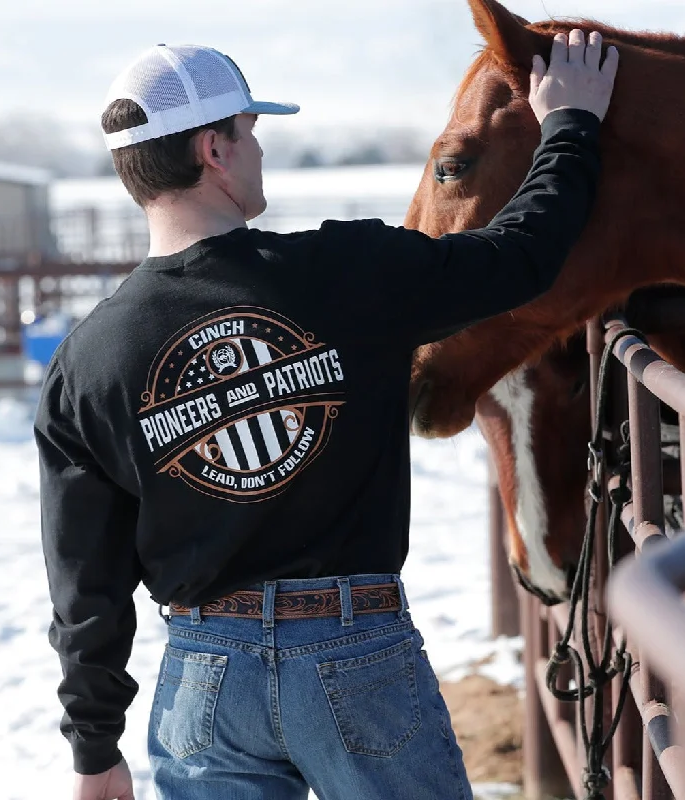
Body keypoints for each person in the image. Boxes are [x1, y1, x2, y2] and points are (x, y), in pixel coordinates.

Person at [35, 31, 619, 800]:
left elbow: (86, 582)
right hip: (355, 652)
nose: (259, 150)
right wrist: (572, 123)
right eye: (250, 132)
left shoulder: (87, 360)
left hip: (205, 675)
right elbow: (523, 255)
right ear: (214, 149)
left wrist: (94, 746)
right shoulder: (349, 274)